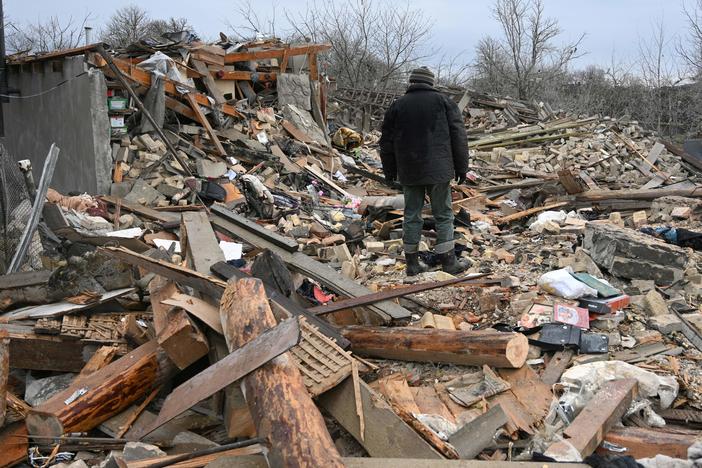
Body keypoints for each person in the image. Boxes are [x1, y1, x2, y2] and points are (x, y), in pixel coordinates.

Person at [379, 66, 470, 275]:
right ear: (431, 82)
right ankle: (449, 262)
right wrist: (462, 167)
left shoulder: (397, 106)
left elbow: (386, 142)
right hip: (439, 170)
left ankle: (412, 264)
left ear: (411, 82)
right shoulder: (444, 103)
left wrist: (389, 171)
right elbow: (458, 136)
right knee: (444, 215)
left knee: (412, 215)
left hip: (409, 170)